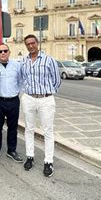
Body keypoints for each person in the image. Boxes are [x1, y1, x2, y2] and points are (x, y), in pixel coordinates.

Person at [20, 34, 61, 177]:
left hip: (45, 99)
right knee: (29, 129)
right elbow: (22, 78)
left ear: (37, 43)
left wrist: (47, 93)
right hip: (29, 98)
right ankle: (29, 156)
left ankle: (48, 161)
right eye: (28, 44)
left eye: (33, 43)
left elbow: (57, 81)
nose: (30, 46)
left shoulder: (49, 60)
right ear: (26, 46)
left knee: (48, 131)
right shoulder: (23, 61)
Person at [0, 44, 23, 163]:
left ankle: (12, 150)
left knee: (13, 128)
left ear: (9, 52)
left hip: (14, 101)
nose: (3, 53)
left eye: (5, 51)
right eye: (0, 51)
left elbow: (21, 81)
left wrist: (17, 92)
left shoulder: (16, 65)